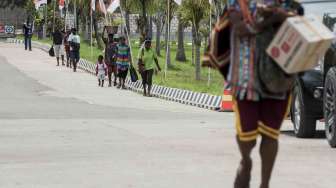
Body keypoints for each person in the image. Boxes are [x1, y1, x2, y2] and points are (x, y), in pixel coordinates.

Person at [224, 1, 298, 188]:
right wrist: (270, 18)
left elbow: (297, 18)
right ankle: (246, 161)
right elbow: (240, 28)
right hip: (245, 77)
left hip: (276, 77)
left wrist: (282, 16)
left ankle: (265, 184)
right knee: (246, 138)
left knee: (271, 135)